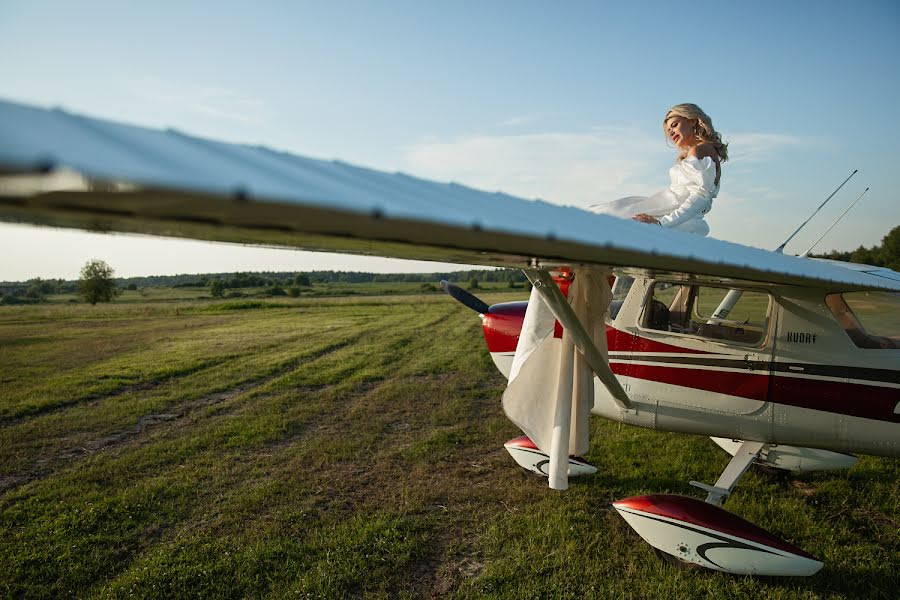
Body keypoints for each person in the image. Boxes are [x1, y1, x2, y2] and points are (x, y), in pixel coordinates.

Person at [592, 103, 728, 237]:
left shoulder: (699, 149)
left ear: (692, 121)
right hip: (663, 206)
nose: (671, 132)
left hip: (667, 211)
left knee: (602, 221)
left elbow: (700, 197)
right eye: (668, 130)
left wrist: (661, 225)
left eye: (675, 125)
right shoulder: (704, 151)